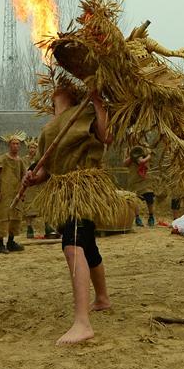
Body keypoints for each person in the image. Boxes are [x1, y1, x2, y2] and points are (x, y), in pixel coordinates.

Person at [23, 84, 116, 345]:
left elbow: (106, 137)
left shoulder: (83, 112)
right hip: (61, 191)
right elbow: (45, 169)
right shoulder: (49, 129)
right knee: (87, 245)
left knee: (73, 247)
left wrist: (98, 100)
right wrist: (33, 178)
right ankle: (102, 299)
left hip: (83, 186)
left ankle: (82, 323)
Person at [0, 132, 27, 254]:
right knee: (2, 217)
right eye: (14, 144)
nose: (16, 146)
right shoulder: (2, 160)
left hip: (15, 193)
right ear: (9, 145)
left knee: (15, 217)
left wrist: (22, 192)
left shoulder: (20, 161)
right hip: (3, 193)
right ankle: (0, 244)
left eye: (18, 144)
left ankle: (11, 242)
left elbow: (23, 177)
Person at [124, 145, 156, 227]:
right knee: (135, 199)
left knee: (149, 197)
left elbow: (151, 156)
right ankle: (137, 218)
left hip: (145, 179)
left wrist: (146, 158)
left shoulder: (146, 147)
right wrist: (132, 156)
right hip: (134, 178)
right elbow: (124, 163)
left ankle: (151, 217)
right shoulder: (128, 148)